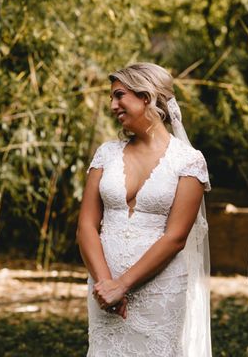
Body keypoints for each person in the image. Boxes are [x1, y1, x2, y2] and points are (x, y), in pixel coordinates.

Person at [77, 62, 212, 356]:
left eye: (119, 96)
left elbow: (176, 237)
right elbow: (86, 225)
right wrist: (105, 285)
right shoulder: (106, 154)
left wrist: (122, 285)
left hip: (160, 290)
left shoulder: (188, 161)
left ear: (146, 98)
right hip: (103, 287)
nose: (113, 105)